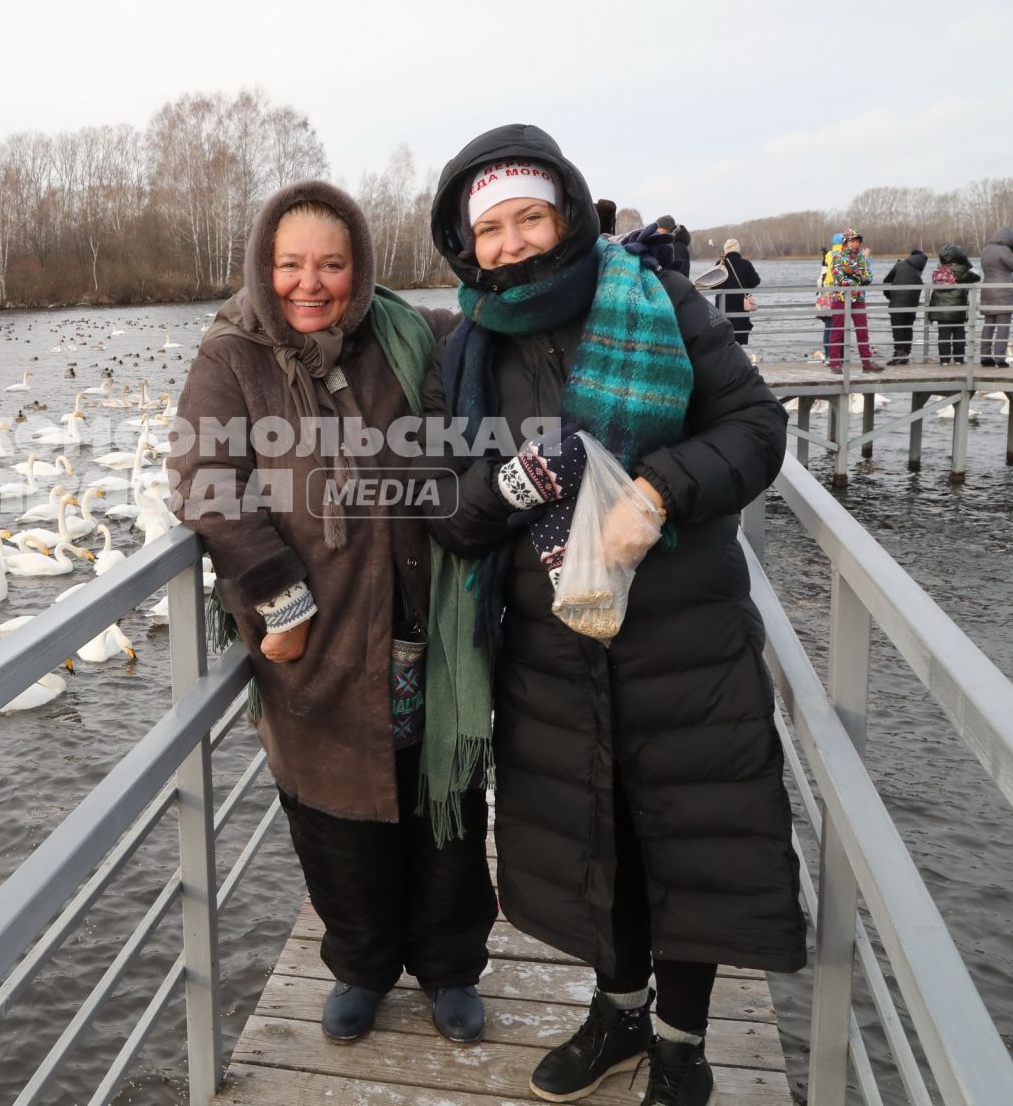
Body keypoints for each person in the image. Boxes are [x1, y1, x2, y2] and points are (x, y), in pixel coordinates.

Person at [423, 125, 804, 1106]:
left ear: (565, 212)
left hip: (684, 639)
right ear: (468, 245)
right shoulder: (464, 351)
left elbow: (756, 429)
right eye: (491, 228)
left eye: (528, 217)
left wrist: (662, 489)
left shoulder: (658, 299)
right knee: (602, 841)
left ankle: (682, 1040)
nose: (511, 242)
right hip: (552, 653)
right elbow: (451, 515)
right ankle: (620, 1009)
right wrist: (512, 481)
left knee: (692, 839)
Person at [168, 180, 493, 1047]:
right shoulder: (232, 358)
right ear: (263, 266)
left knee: (443, 801)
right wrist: (280, 595)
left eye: (331, 265)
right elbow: (206, 482)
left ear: (360, 267)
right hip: (318, 636)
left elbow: (510, 333)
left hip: (427, 626)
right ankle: (362, 964)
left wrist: (601, 276)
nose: (309, 284)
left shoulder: (409, 332)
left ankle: (452, 966)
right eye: (290, 265)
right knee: (337, 816)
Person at [819, 229, 883, 372]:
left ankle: (866, 363)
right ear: (845, 242)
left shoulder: (861, 258)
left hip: (858, 298)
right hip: (841, 298)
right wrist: (857, 277)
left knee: (862, 331)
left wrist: (853, 276)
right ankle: (835, 363)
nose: (855, 245)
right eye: (852, 241)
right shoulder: (837, 258)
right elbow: (840, 279)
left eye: (857, 242)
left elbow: (868, 278)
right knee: (838, 331)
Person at [979, 225, 1013, 367]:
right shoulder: (1004, 250)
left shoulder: (986, 250)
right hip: (1003, 294)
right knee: (1003, 327)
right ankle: (999, 358)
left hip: (987, 292)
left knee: (988, 326)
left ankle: (985, 356)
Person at [927, 244, 981, 363]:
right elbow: (977, 276)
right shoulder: (963, 269)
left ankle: (944, 360)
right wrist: (968, 263)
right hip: (958, 308)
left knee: (943, 335)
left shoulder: (938, 271)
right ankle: (958, 359)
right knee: (959, 335)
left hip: (940, 310)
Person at [881, 247, 930, 364]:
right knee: (908, 328)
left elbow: (886, 281)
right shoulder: (919, 268)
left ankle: (898, 354)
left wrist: (890, 296)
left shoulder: (900, 264)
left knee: (897, 328)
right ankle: (905, 354)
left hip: (897, 301)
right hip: (912, 302)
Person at [714, 238, 762, 345]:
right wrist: (745, 286)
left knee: (724, 338)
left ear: (726, 250)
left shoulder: (720, 264)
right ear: (737, 249)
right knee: (739, 338)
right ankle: (739, 358)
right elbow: (755, 281)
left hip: (723, 306)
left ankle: (726, 360)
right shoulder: (746, 264)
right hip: (741, 305)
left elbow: (714, 285)